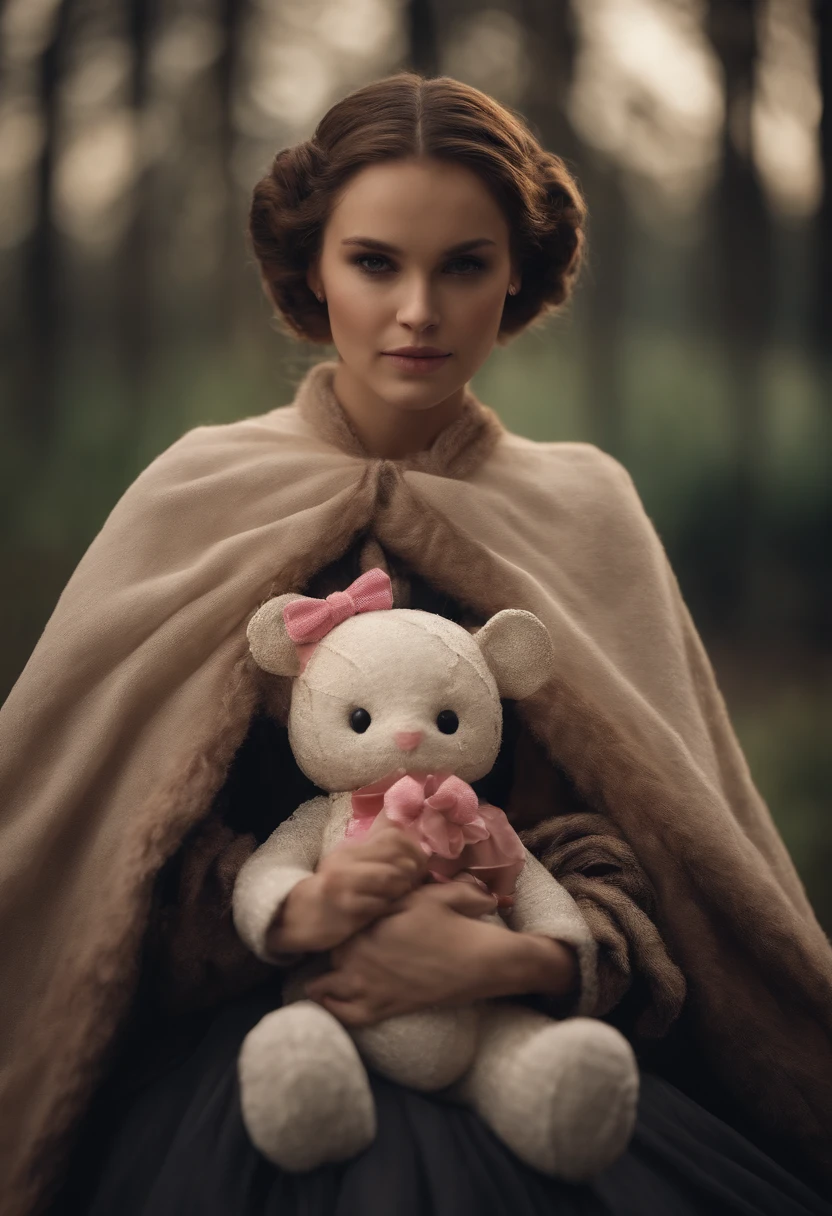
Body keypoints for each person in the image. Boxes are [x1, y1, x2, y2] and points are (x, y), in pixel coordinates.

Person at [1, 73, 830, 1216]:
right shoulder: (196, 490)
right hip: (258, 1062)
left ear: (518, 277)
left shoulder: (587, 510)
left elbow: (674, 856)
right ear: (310, 269)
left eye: (464, 265)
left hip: (529, 1041)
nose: (419, 311)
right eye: (376, 261)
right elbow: (100, 862)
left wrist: (526, 957)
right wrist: (296, 911)